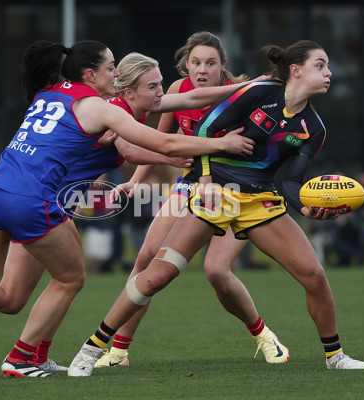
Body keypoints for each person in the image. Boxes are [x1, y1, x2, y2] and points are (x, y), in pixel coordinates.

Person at [0, 42, 255, 378]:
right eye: (112, 68)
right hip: (32, 201)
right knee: (70, 279)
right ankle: (21, 359)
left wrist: (249, 87)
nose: (160, 94)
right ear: (95, 75)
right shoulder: (105, 109)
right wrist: (220, 148)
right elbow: (163, 145)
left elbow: (180, 107)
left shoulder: (55, 91)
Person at [69, 40, 364, 377]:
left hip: (259, 200)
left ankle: (336, 356)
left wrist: (306, 207)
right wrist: (208, 180)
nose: (329, 73)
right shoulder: (259, 93)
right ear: (296, 71)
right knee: (156, 274)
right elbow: (206, 129)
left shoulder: (314, 129)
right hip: (216, 191)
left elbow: (290, 183)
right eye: (321, 65)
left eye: (327, 66)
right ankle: (92, 348)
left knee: (314, 275)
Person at [94, 31, 287, 369]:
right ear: (185, 64)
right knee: (145, 259)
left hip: (233, 190)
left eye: (210, 63)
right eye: (195, 62)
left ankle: (264, 336)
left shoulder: (244, 97)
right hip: (190, 185)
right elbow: (161, 140)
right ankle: (119, 352)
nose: (201, 69)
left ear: (222, 66)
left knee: (216, 271)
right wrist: (135, 181)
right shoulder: (176, 91)